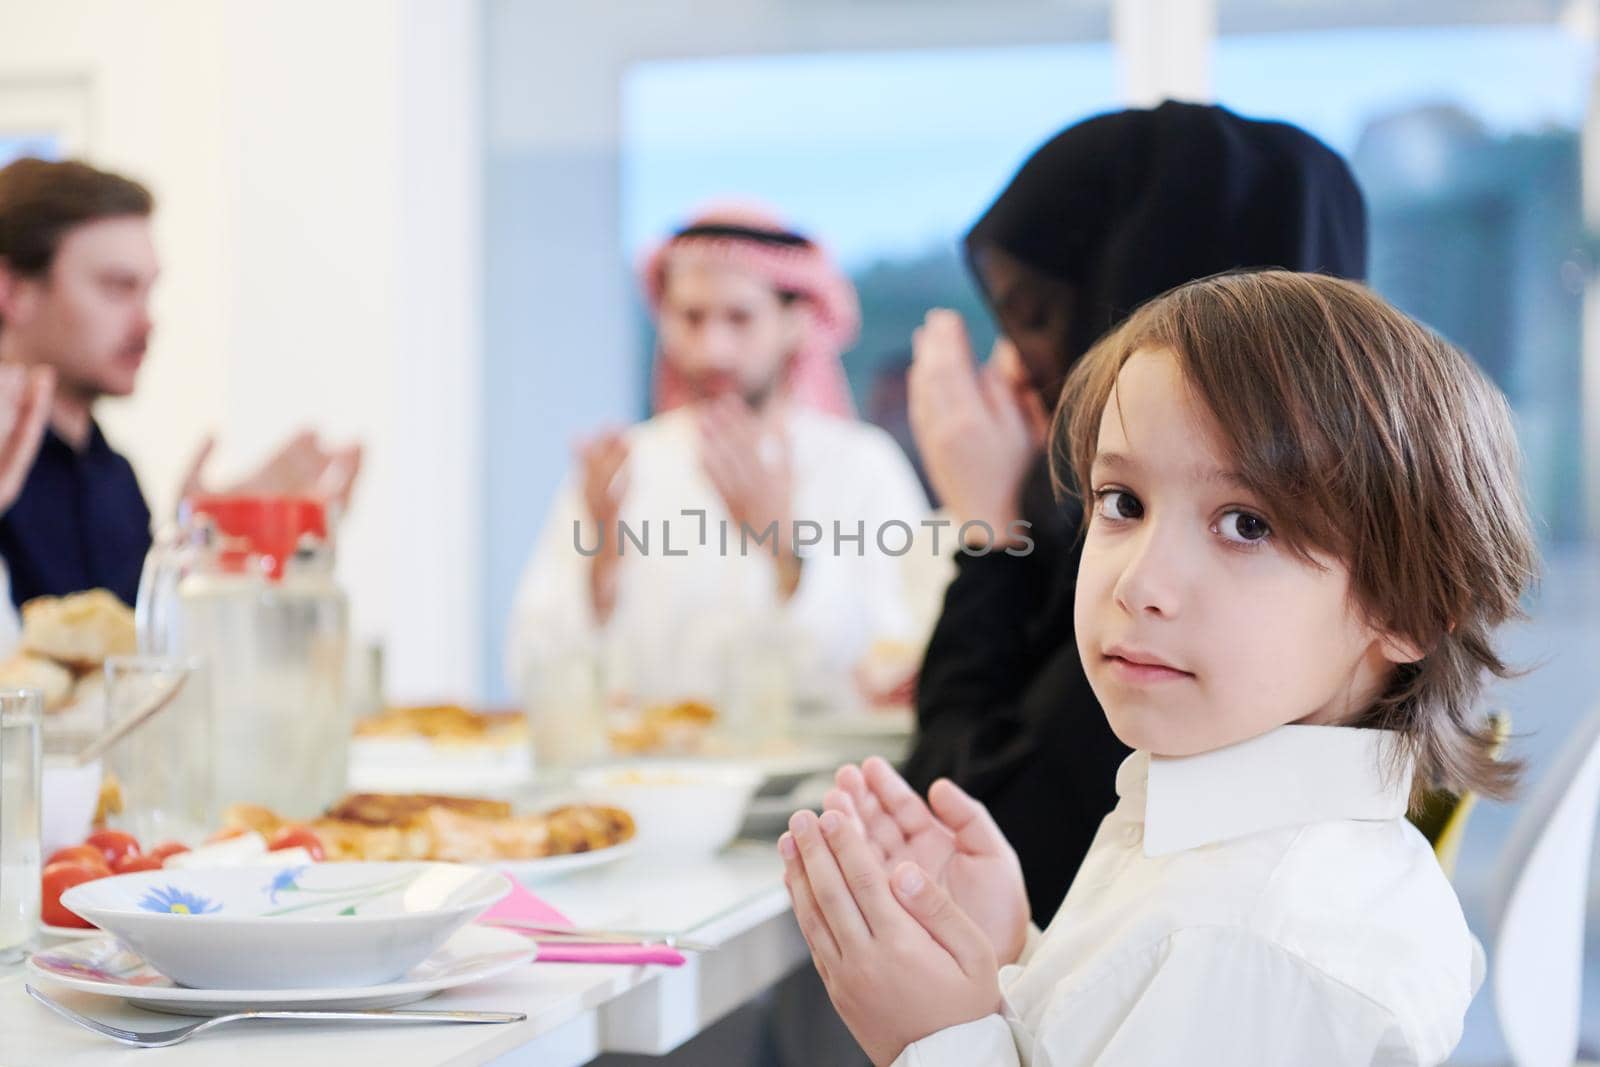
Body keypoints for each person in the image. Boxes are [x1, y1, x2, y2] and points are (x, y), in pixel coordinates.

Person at [781, 270, 1535, 1066]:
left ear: (1409, 606)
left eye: (1246, 524)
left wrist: (933, 1040)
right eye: (1122, 502)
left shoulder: (1253, 942)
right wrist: (1015, 959)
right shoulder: (1211, 845)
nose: (1139, 583)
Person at [903, 102, 1369, 920]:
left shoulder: (1182, 636)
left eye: (1045, 317)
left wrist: (986, 529)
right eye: (1124, 503)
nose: (1017, 368)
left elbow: (954, 824)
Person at [507, 205, 930, 713]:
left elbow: (900, 670)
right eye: (692, 318)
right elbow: (531, 671)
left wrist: (784, 549)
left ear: (796, 323)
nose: (713, 351)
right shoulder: (623, 469)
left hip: (826, 788)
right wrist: (600, 569)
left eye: (739, 318)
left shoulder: (863, 467)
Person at [0, 157, 361, 611]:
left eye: (148, 290)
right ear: (10, 290)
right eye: (117, 287)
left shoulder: (115, 480)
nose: (146, 322)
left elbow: (135, 665)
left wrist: (204, 554)